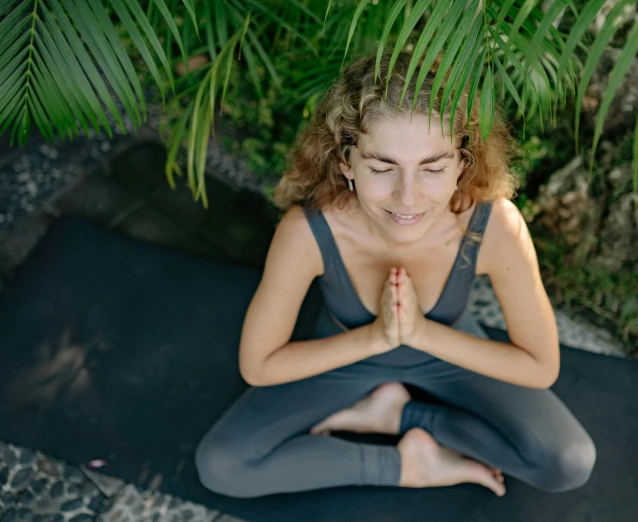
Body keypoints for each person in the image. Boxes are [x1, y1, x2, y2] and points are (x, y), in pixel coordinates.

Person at [194, 50, 596, 499]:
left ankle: (398, 416)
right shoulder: (309, 230)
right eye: (383, 168)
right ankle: (405, 464)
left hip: (447, 351)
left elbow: (541, 367)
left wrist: (420, 334)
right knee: (222, 466)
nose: (407, 198)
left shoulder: (494, 224)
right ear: (347, 161)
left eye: (433, 168)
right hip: (346, 353)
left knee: (569, 462)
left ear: (462, 164)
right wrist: (378, 338)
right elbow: (259, 365)